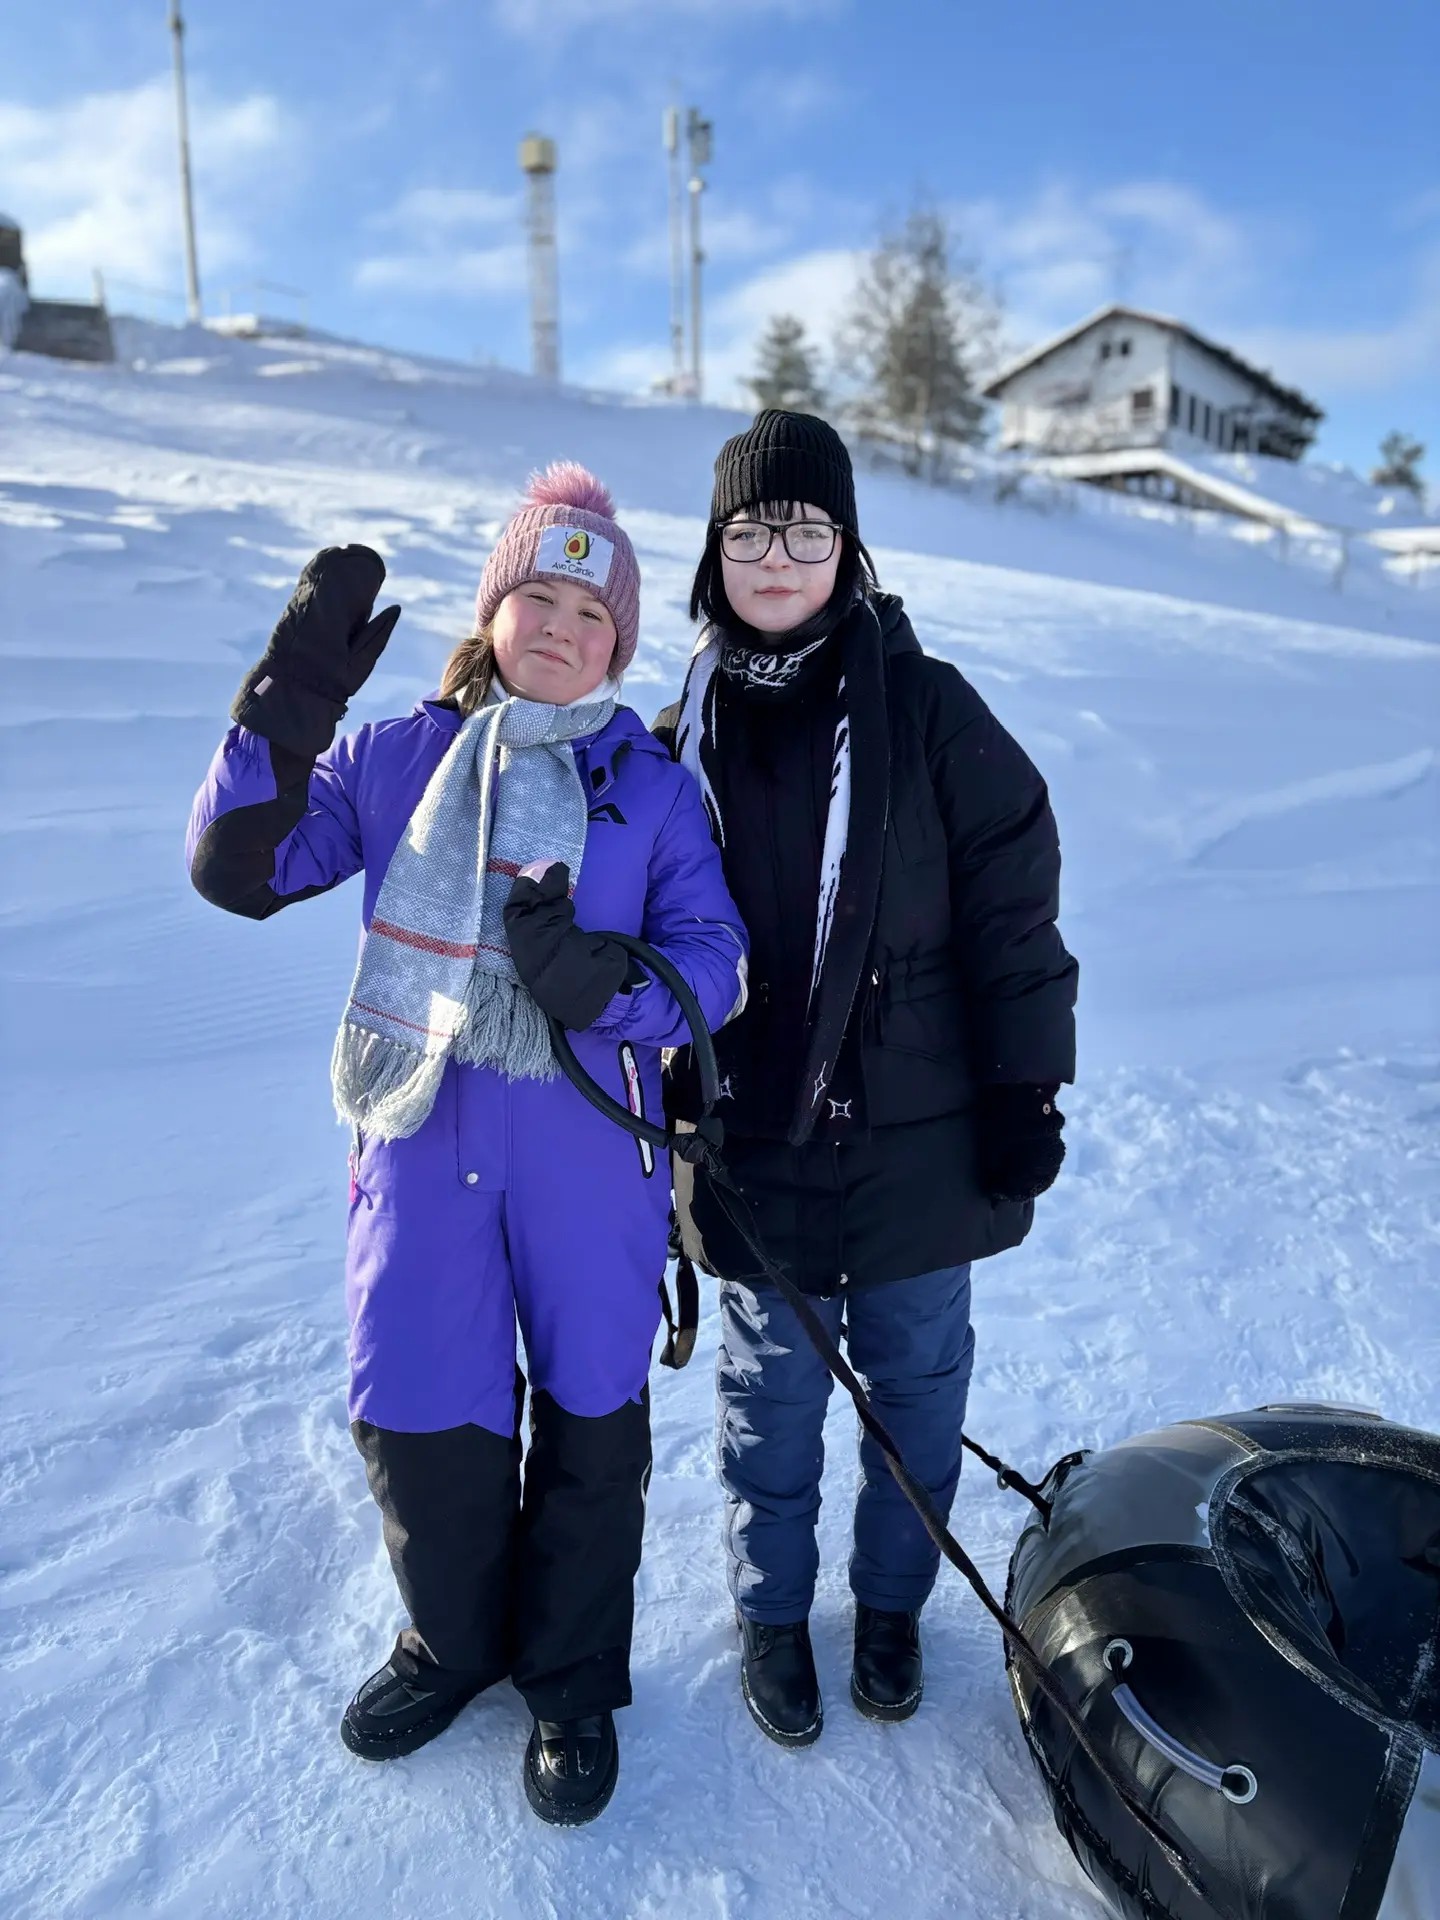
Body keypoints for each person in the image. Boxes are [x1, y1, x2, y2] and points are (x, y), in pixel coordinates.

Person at [186, 465, 746, 1823]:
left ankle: (567, 1685)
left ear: (621, 643)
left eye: (588, 610)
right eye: (534, 596)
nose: (558, 626)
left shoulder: (654, 790)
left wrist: (597, 986)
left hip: (588, 1165)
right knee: (422, 1406)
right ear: (494, 611)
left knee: (591, 1425)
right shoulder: (392, 758)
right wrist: (280, 711)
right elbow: (240, 869)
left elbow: (713, 971)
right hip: (422, 1146)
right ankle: (452, 1644)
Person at [655, 412, 1077, 1747]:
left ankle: (891, 1609)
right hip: (753, 1138)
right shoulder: (678, 737)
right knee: (769, 1406)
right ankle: (773, 1620)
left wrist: (1026, 1088)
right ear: (714, 554)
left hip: (919, 1138)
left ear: (847, 546)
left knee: (918, 1389)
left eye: (806, 528)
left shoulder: (930, 707)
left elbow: (1013, 906)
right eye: (750, 530)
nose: (777, 556)